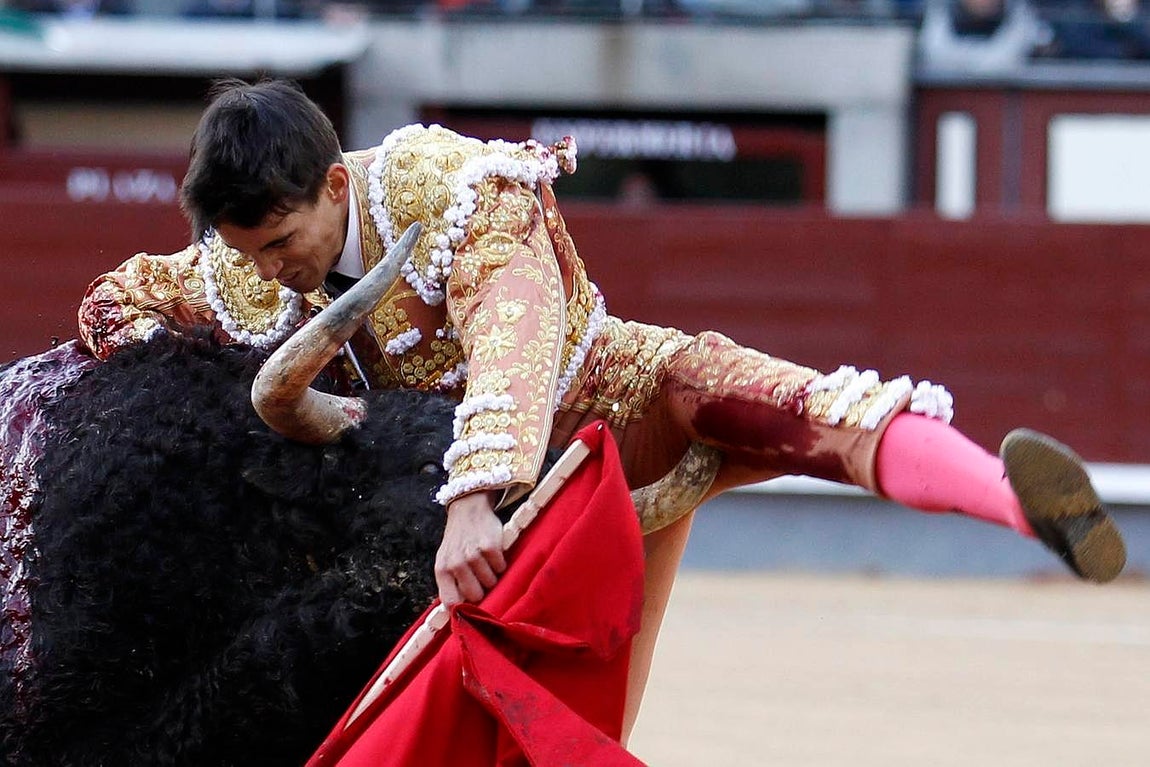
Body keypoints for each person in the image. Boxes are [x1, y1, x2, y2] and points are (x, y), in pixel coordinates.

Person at [78, 78, 1126, 736]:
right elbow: (114, 303)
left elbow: (516, 322)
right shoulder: (243, 267)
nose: (275, 269)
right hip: (494, 510)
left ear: (336, 190)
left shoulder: (438, 182)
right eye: (250, 252)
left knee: (807, 405)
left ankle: (1017, 501)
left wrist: (473, 496)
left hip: (605, 409)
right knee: (585, 717)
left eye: (283, 241)